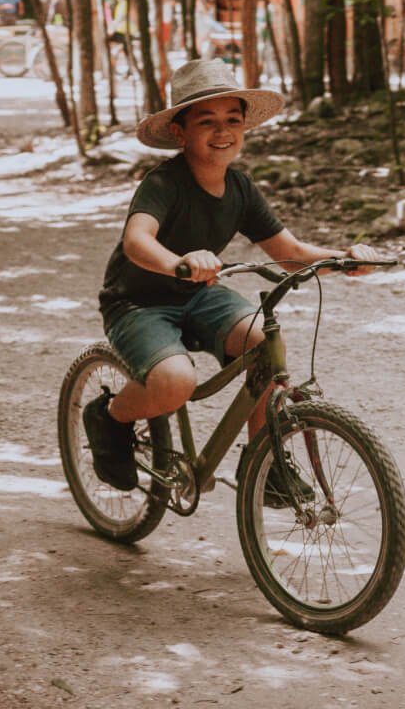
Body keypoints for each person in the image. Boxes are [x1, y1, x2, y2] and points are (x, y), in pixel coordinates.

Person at [85, 58, 384, 502]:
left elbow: (291, 254)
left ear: (244, 128)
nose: (222, 131)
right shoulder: (164, 183)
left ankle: (264, 462)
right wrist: (178, 263)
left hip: (200, 295)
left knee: (264, 345)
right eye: (207, 121)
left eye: (232, 120)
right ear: (179, 133)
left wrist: (345, 258)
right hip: (138, 303)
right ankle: (111, 417)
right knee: (174, 384)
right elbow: (136, 241)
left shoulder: (240, 188)